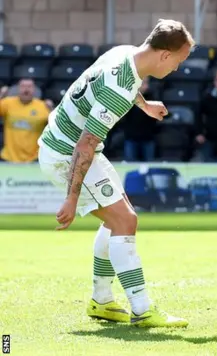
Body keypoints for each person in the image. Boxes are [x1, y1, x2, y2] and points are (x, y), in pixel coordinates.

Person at [37, 19, 194, 328]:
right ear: (164, 55)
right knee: (125, 220)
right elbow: (85, 144)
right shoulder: (118, 90)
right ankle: (142, 309)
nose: (177, 68)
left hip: (65, 144)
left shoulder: (123, 54)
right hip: (67, 154)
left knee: (118, 219)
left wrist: (145, 104)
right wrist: (71, 198)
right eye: (179, 61)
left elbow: (117, 88)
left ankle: (102, 301)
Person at [0, 78, 52, 163]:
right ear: (17, 89)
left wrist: (51, 110)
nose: (26, 89)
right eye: (23, 86)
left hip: (33, 160)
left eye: (29, 86)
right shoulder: (7, 103)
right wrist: (1, 94)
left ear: (34, 90)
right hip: (8, 159)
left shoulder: (43, 106)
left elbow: (57, 127)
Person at [120, 77, 159, 162]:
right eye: (143, 83)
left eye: (147, 83)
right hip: (131, 138)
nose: (146, 86)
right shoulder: (128, 97)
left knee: (149, 165)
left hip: (148, 138)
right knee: (130, 165)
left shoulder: (152, 97)